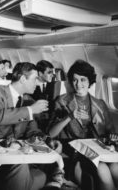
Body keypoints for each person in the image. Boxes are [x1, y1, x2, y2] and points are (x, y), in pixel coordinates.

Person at [0, 62, 62, 190]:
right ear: (23, 79)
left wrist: (48, 140)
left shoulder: (28, 101)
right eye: (35, 79)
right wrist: (30, 110)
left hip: (13, 153)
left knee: (37, 172)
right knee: (27, 168)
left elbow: (33, 131)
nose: (37, 83)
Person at [48, 60, 118, 190]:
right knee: (103, 171)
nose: (78, 84)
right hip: (74, 148)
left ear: (90, 81)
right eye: (75, 80)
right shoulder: (61, 102)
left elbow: (110, 131)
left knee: (116, 168)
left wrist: (112, 136)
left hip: (98, 147)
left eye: (83, 79)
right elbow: (51, 133)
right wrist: (70, 117)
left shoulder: (100, 104)